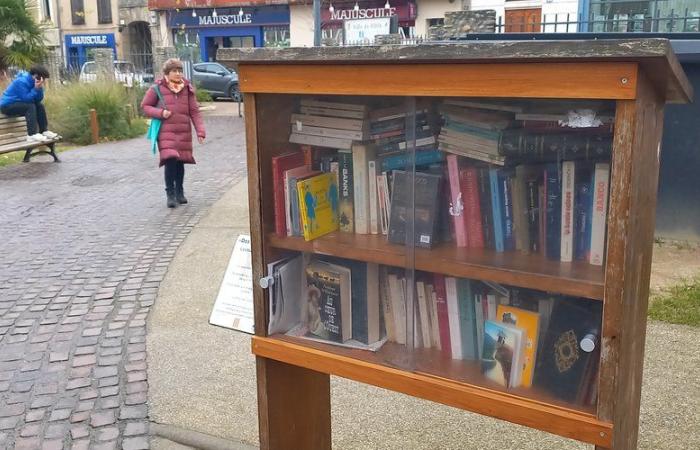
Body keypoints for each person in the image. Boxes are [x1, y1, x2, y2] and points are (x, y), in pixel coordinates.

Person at [141, 58, 206, 208]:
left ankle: (179, 191)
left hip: (183, 130)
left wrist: (200, 131)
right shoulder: (157, 88)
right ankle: (170, 193)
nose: (178, 74)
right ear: (167, 73)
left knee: (180, 161)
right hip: (166, 131)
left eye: (180, 71)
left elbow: (194, 111)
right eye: (174, 71)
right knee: (170, 159)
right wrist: (160, 112)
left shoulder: (187, 88)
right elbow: (145, 106)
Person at [0, 65, 60, 142]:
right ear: (36, 76)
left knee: (39, 105)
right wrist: (35, 89)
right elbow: (26, 99)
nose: (44, 80)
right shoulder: (21, 81)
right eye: (43, 78)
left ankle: (44, 131)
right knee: (30, 106)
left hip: (19, 104)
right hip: (7, 106)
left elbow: (38, 99)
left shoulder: (34, 82)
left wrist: (39, 88)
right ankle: (31, 135)